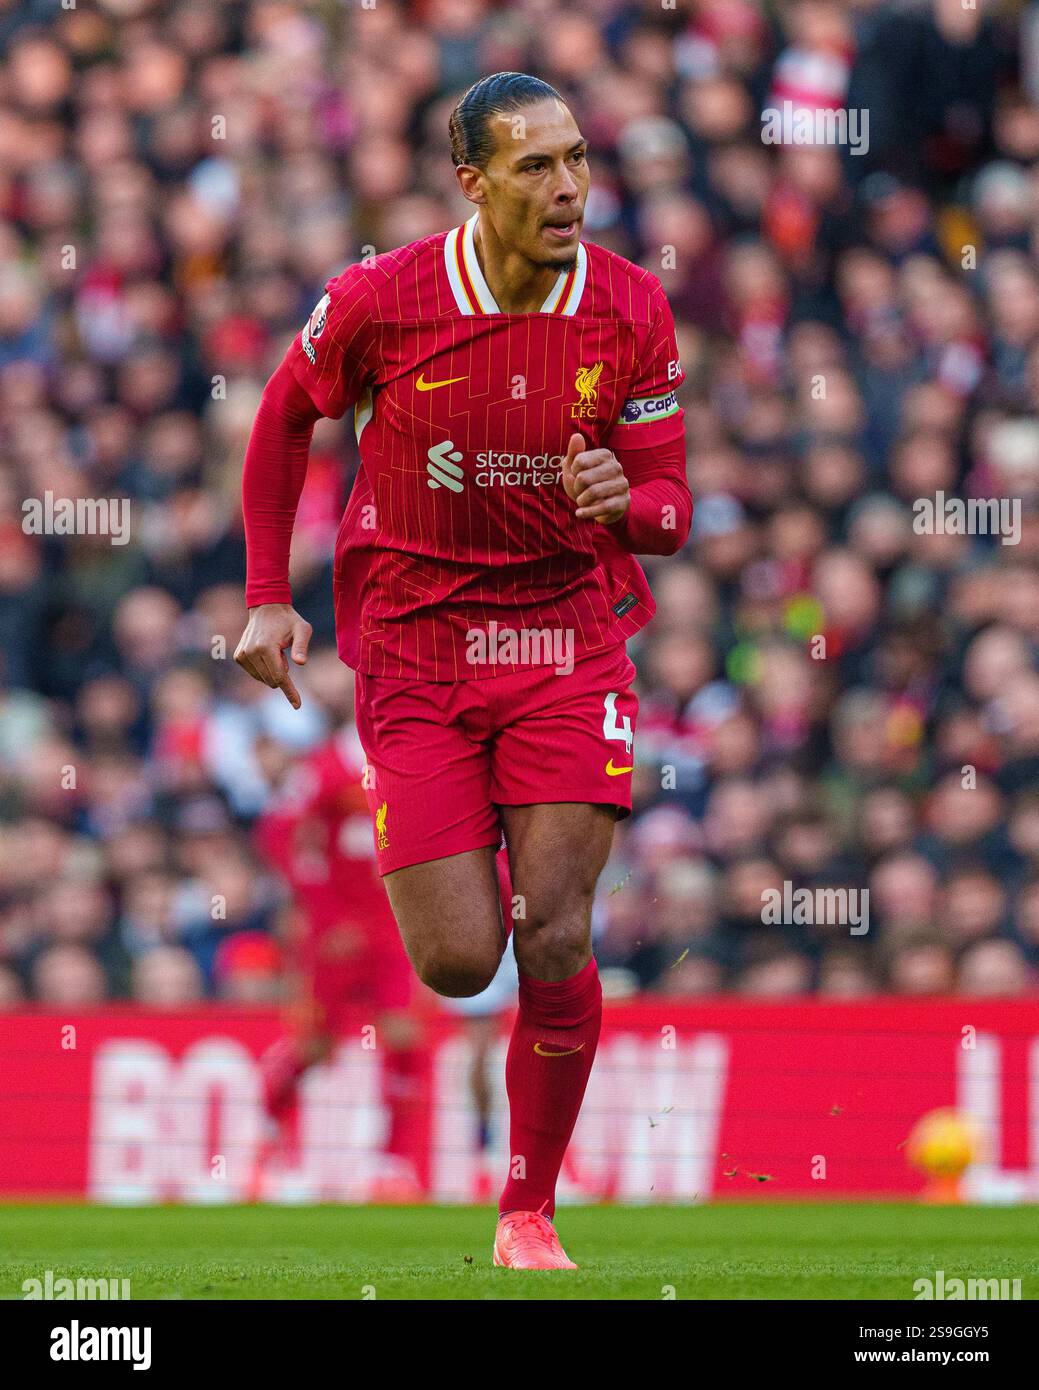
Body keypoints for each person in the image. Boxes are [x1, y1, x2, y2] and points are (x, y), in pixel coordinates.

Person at [235, 71, 691, 1268]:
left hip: (561, 643)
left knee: (553, 935)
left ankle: (526, 1209)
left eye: (578, 158)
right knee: (454, 961)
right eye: (535, 166)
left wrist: (631, 502)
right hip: (416, 652)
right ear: (472, 183)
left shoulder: (633, 306)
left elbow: (671, 502)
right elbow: (284, 416)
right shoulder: (382, 297)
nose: (568, 186)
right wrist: (268, 599)